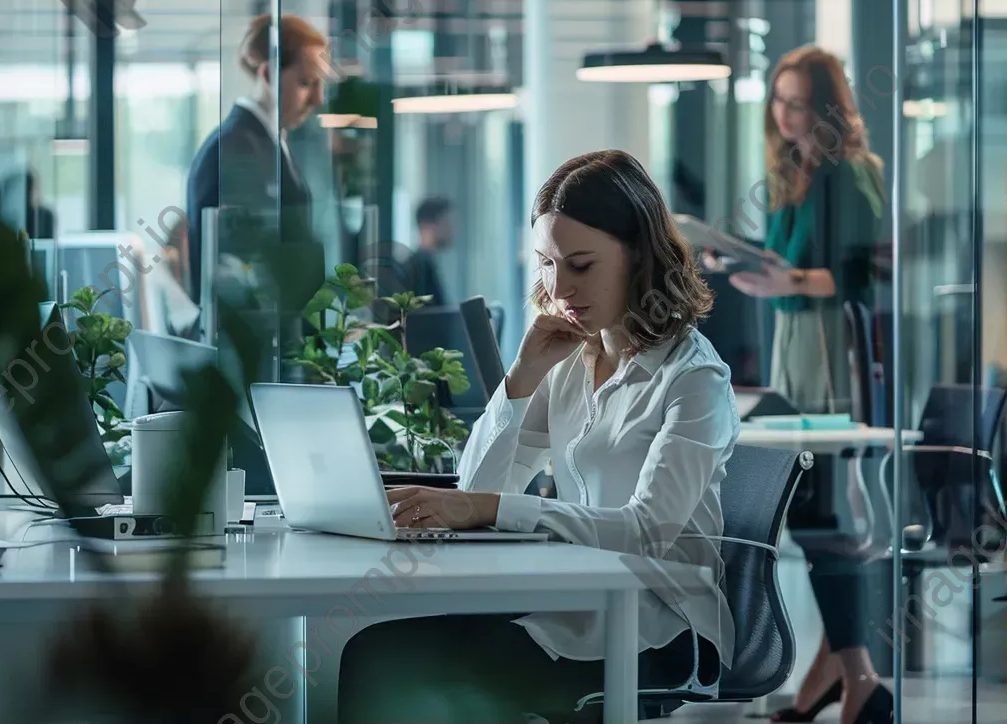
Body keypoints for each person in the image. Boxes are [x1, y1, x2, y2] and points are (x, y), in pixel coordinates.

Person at [338, 150, 740, 723]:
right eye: (547, 265)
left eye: (581, 264)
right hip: (570, 601)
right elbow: (475, 488)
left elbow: (647, 532)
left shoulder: (694, 378)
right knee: (373, 653)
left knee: (392, 663)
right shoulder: (572, 360)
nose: (561, 287)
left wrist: (497, 508)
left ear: (638, 257)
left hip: (662, 625)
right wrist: (522, 378)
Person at [709, 46, 891, 724]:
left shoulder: (851, 174)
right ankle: (840, 674)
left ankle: (859, 676)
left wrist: (787, 280)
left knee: (819, 514)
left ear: (828, 108)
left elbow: (863, 273)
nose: (786, 115)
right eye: (779, 101)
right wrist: (740, 262)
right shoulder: (792, 173)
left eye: (800, 102)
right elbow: (784, 265)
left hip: (829, 344)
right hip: (792, 340)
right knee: (815, 512)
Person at [186, 13, 328, 328]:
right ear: (268, 74)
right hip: (253, 344)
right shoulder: (237, 148)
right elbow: (245, 269)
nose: (318, 99)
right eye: (306, 83)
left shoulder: (265, 143)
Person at [403, 195, 454, 305]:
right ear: (427, 225)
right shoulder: (420, 266)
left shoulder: (424, 262)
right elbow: (430, 314)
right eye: (446, 222)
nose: (451, 229)